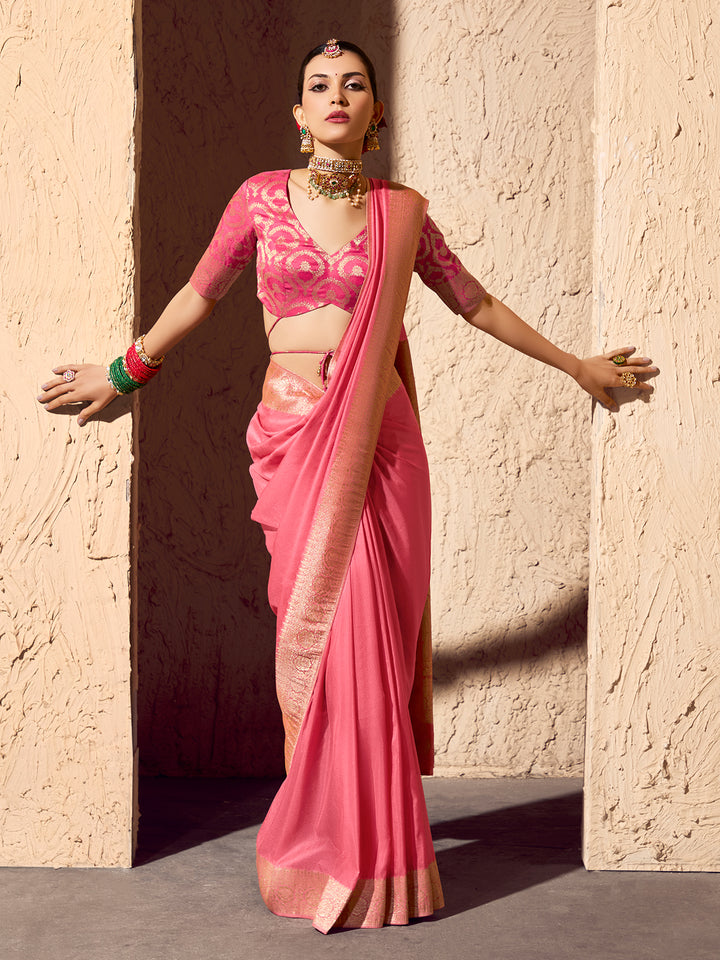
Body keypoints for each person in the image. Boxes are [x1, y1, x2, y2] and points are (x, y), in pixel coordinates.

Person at [37, 39, 657, 932]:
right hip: (295, 429)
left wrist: (575, 366)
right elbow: (200, 294)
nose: (336, 94)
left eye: (353, 84)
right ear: (297, 114)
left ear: (376, 112)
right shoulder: (258, 198)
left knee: (372, 634)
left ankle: (383, 859)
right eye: (319, 85)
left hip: (383, 442)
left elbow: (474, 303)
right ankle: (324, 839)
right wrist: (124, 373)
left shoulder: (400, 212)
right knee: (315, 636)